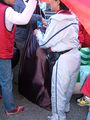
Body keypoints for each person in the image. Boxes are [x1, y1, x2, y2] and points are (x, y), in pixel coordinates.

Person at [34, 0, 80, 120]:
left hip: (63, 58)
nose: (50, 4)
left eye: (52, 1)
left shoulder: (57, 19)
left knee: (58, 91)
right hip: (75, 54)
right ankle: (65, 108)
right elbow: (64, 34)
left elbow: (45, 43)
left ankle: (58, 116)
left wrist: (38, 33)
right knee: (69, 88)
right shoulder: (73, 16)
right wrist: (50, 27)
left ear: (58, 2)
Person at [0, 0, 37, 115]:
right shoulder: (7, 10)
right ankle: (10, 108)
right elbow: (24, 19)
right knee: (6, 80)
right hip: (2, 51)